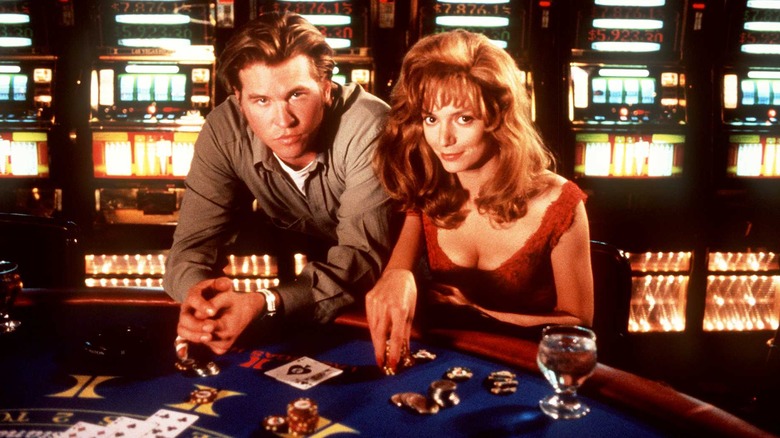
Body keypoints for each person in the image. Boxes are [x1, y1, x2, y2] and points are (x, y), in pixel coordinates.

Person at [164, 12, 396, 355]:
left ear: (327, 89)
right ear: (239, 101)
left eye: (297, 95)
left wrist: (265, 302)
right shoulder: (222, 130)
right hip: (311, 290)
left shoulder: (369, 127)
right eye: (261, 101)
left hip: (397, 287)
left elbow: (359, 259)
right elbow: (190, 247)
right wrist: (203, 301)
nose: (283, 120)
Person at [366, 30, 594, 372]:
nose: (443, 138)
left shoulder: (559, 201)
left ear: (498, 118)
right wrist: (395, 278)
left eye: (463, 118)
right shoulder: (430, 189)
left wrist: (477, 313)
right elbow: (397, 273)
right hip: (453, 363)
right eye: (431, 118)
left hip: (531, 368)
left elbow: (577, 325)